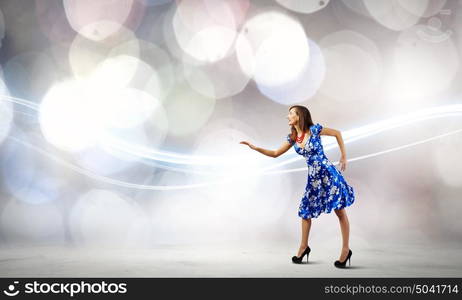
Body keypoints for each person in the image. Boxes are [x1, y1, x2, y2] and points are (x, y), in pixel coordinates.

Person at [239, 105, 355, 268]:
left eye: (291, 113)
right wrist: (255, 147)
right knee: (305, 212)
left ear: (299, 116)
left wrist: (344, 156)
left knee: (340, 211)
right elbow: (275, 153)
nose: (288, 116)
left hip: (328, 175)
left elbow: (337, 133)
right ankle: (303, 247)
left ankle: (345, 249)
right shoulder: (293, 138)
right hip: (314, 179)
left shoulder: (314, 130)